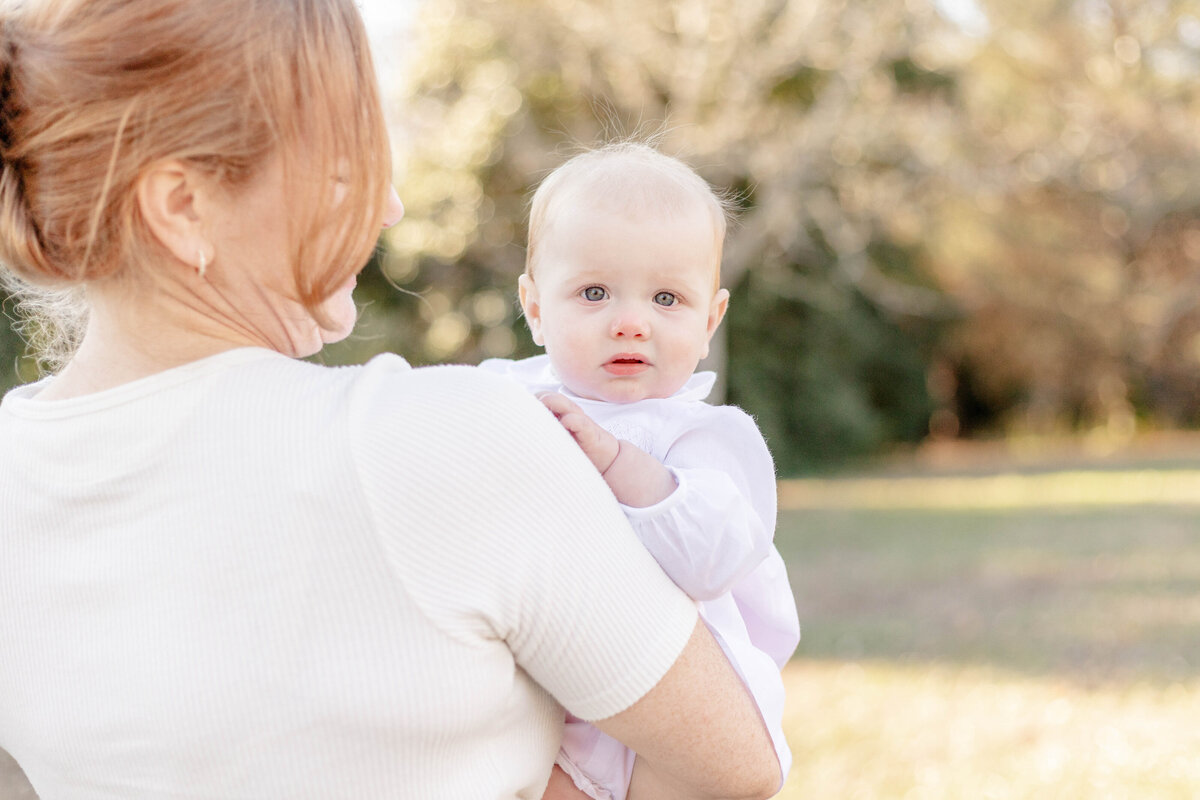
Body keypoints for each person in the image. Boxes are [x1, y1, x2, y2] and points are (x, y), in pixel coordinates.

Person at [0, 2, 781, 798]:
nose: (388, 208)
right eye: (345, 172)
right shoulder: (445, 441)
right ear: (182, 207)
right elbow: (734, 767)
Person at [481, 143, 801, 800]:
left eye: (666, 298)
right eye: (594, 292)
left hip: (678, 717)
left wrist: (619, 464)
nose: (631, 323)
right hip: (554, 708)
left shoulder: (701, 438)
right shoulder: (503, 396)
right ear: (535, 307)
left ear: (710, 320)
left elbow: (716, 557)